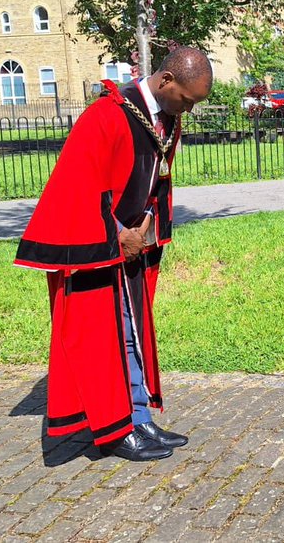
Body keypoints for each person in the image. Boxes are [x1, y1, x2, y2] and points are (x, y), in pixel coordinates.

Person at [15, 47, 213, 461]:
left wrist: (145, 227)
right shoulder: (105, 116)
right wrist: (118, 234)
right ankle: (117, 428)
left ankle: (138, 418)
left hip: (131, 248)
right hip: (97, 250)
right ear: (165, 82)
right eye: (188, 100)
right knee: (112, 338)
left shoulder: (163, 119)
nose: (189, 111)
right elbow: (79, 187)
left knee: (134, 333)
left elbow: (156, 179)